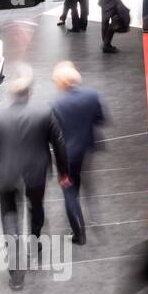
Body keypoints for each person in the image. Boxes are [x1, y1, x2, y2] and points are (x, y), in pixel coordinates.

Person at [0, 67, 70, 290]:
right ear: (30, 93)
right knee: (36, 208)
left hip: (6, 174)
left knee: (10, 219)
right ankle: (35, 243)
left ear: (11, 94)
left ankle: (17, 275)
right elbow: (59, 143)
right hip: (35, 173)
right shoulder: (44, 112)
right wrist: (64, 173)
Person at [50, 61, 104, 246]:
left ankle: (79, 234)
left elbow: (53, 134)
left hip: (66, 153)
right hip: (86, 148)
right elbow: (100, 119)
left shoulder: (56, 103)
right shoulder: (92, 95)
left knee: (69, 190)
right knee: (79, 178)